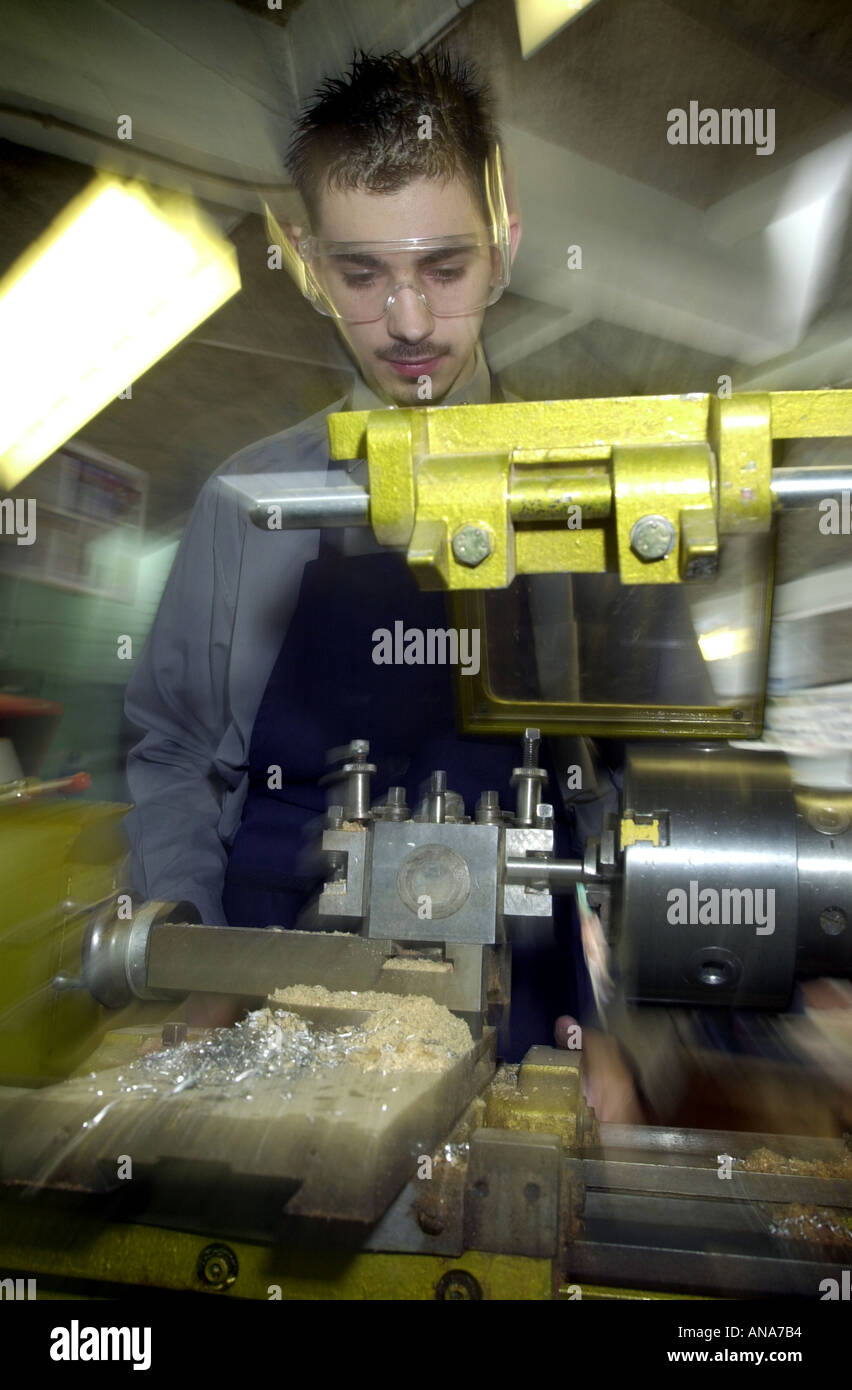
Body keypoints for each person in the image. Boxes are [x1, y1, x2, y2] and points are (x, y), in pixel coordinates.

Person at [123, 49, 590, 1061]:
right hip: (271, 1011)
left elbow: (668, 803)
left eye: (445, 267)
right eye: (363, 272)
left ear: (505, 246)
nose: (410, 321)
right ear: (300, 256)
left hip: (529, 1025)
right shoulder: (253, 504)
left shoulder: (601, 496)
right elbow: (171, 748)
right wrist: (195, 951)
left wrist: (650, 1039)